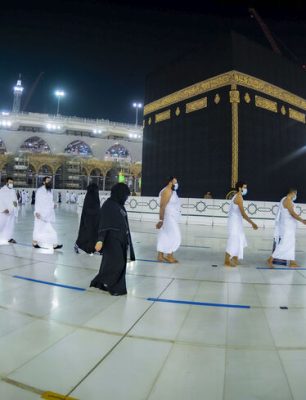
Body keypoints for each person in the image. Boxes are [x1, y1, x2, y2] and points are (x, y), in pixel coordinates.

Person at [90, 183, 135, 296]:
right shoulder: (108, 205)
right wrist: (100, 240)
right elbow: (103, 224)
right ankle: (115, 288)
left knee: (110, 264)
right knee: (117, 264)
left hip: (120, 240)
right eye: (125, 195)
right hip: (111, 240)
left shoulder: (119, 205)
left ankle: (99, 282)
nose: (126, 198)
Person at [267, 188, 306, 268]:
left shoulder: (285, 200)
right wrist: (302, 220)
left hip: (289, 226)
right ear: (293, 193)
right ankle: (270, 259)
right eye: (295, 194)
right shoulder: (287, 201)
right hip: (287, 226)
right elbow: (292, 213)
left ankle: (292, 262)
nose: (295, 196)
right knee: (284, 243)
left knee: (291, 243)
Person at [225, 181, 258, 266]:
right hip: (234, 222)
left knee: (239, 238)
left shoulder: (237, 195)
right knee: (233, 239)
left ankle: (235, 258)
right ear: (239, 188)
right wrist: (252, 223)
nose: (245, 189)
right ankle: (227, 260)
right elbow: (243, 214)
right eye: (244, 187)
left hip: (236, 221)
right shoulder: (239, 197)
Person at [32, 176, 63, 249]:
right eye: (47, 181)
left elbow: (49, 202)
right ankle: (53, 244)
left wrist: (53, 205)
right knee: (39, 229)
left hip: (47, 214)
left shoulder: (50, 191)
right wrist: (36, 212)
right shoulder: (40, 191)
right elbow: (38, 202)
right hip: (40, 214)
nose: (49, 182)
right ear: (44, 182)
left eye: (50, 181)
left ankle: (53, 244)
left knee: (46, 230)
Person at [156, 176, 181, 263]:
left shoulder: (172, 191)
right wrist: (161, 220)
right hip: (168, 217)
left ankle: (160, 255)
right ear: (170, 182)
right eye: (175, 181)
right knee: (175, 235)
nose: (176, 183)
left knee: (165, 235)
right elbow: (162, 206)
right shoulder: (167, 191)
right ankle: (169, 255)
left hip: (172, 217)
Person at [74, 183, 100, 254]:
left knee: (91, 234)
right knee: (88, 234)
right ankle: (80, 245)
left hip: (93, 219)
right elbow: (89, 209)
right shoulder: (91, 197)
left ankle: (91, 248)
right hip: (89, 219)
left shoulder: (91, 196)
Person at [0, 177, 18, 244]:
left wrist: (15, 206)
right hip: (4, 211)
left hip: (11, 211)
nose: (11, 184)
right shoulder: (2, 190)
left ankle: (9, 238)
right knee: (1, 224)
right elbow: (0, 200)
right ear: (7, 183)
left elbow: (15, 200)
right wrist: (3, 208)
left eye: (12, 183)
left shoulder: (13, 191)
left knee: (10, 225)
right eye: (10, 182)